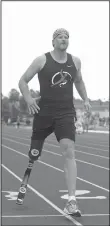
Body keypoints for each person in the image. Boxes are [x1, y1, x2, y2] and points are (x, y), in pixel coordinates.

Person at [16, 28, 91, 217]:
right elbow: (23, 81)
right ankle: (31, 163)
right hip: (44, 113)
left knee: (69, 150)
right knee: (34, 153)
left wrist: (86, 99)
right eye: (60, 37)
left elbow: (79, 82)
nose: (64, 39)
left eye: (66, 37)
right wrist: (28, 99)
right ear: (53, 41)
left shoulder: (75, 61)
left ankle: (71, 201)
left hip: (65, 113)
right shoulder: (42, 60)